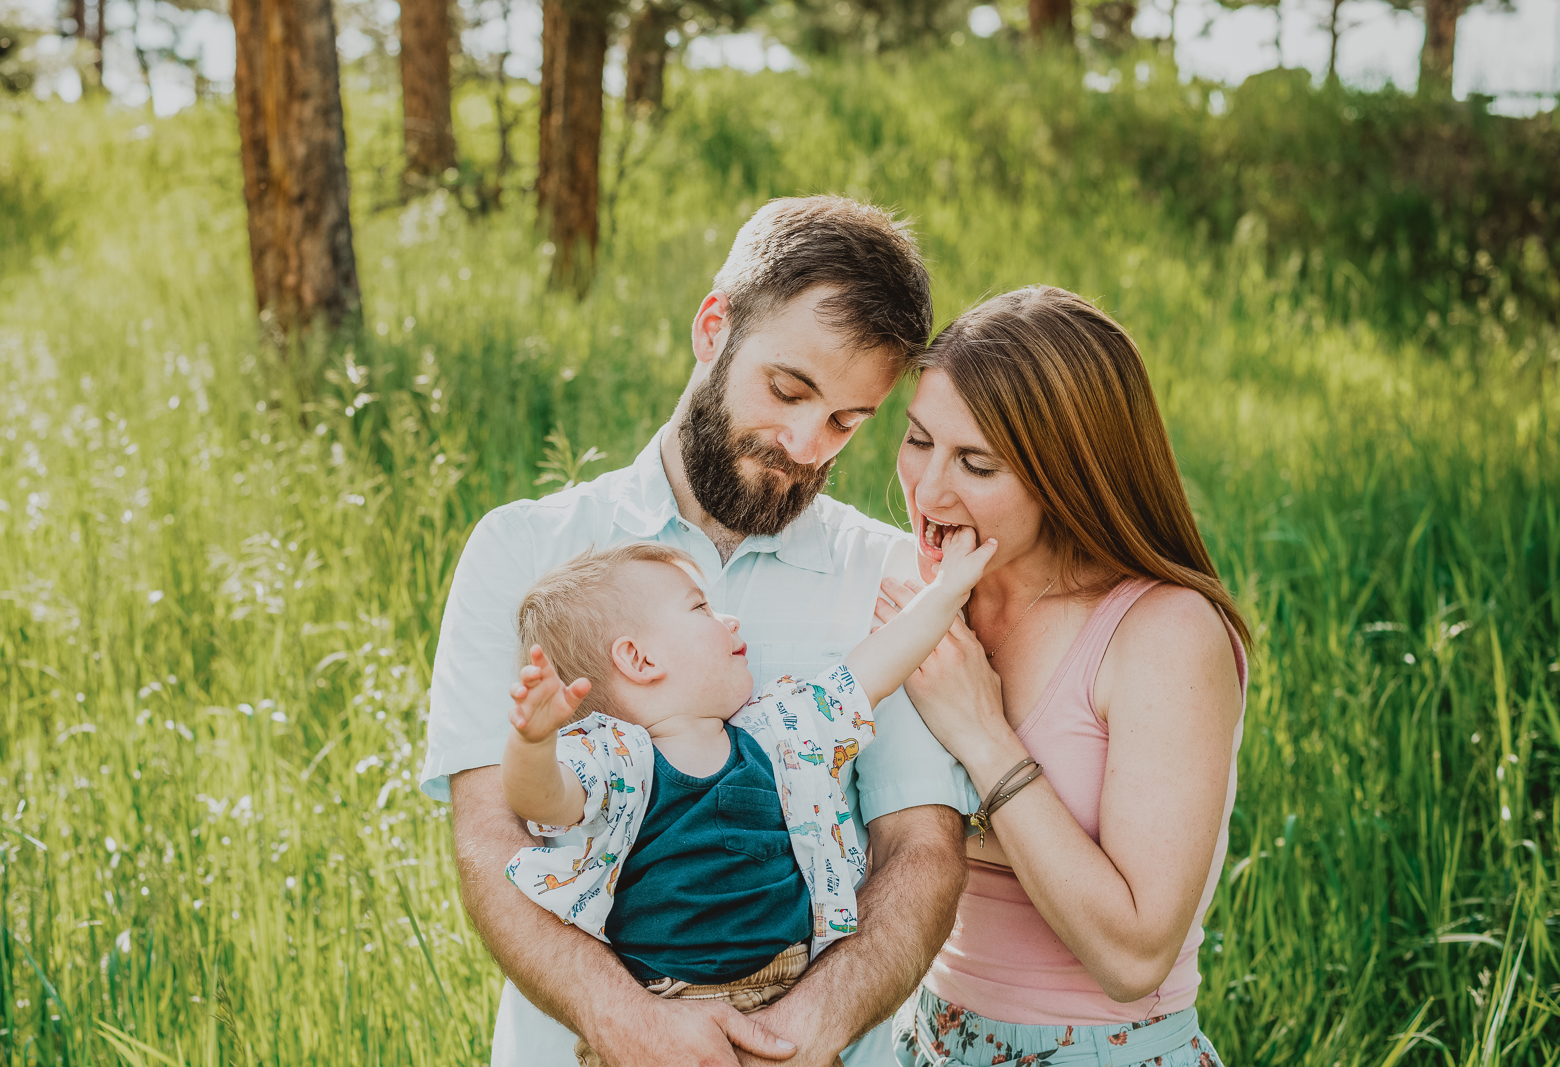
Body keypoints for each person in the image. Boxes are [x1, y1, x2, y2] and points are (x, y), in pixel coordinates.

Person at [423, 195, 973, 1067]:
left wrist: (796, 1036)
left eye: (846, 422)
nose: (804, 443)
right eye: (787, 389)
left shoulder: (893, 579)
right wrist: (628, 1020)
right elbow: (493, 839)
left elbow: (921, 851)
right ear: (713, 327)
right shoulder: (525, 549)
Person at [873, 286, 1250, 1066]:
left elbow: (1134, 955)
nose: (928, 490)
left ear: (1068, 472)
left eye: (976, 463)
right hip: (923, 1041)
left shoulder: (1163, 632)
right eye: (918, 440)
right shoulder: (915, 592)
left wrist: (980, 730)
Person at [500, 532, 993, 1066]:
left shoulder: (778, 733)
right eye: (701, 608)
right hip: (660, 1013)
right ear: (639, 659)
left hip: (788, 995)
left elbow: (870, 671)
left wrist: (946, 591)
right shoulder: (617, 762)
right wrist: (532, 744)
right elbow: (545, 800)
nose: (731, 621)